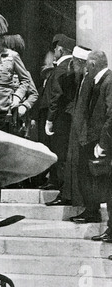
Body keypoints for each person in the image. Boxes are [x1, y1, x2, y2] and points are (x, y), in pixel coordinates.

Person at [70, 51, 112, 226]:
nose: (85, 68)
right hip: (92, 138)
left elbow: (111, 115)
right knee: (87, 174)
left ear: (93, 64)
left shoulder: (108, 82)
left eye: (87, 64)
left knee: (99, 179)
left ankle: (96, 214)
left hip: (100, 140)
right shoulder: (99, 81)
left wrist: (102, 144)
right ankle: (91, 211)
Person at [46, 46, 92, 206]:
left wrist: (50, 120)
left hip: (75, 123)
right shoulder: (78, 76)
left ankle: (69, 195)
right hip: (74, 122)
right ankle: (68, 194)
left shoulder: (88, 79)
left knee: (67, 157)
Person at [41, 34, 77, 191]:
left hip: (59, 118)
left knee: (59, 152)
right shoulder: (69, 66)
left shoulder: (62, 68)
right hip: (63, 117)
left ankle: (63, 190)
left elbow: (56, 95)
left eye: (56, 49)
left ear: (61, 50)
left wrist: (50, 119)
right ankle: (55, 182)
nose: (54, 51)